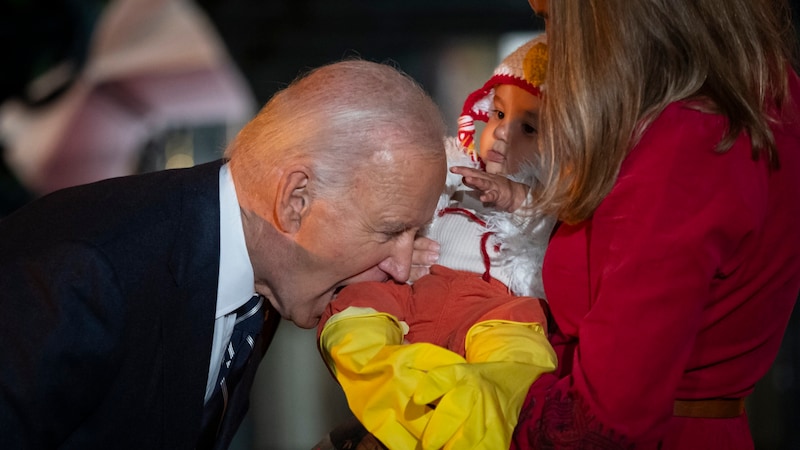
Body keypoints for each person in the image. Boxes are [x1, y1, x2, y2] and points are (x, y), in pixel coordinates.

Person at [0, 59, 448, 450]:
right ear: (296, 200)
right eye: (392, 231)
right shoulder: (84, 275)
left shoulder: (260, 271)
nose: (402, 265)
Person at [502, 0, 799, 448]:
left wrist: (471, 400)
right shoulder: (767, 92)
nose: (553, 47)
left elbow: (603, 421)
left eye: (553, 19)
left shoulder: (686, 144)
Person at [315, 35, 557, 450]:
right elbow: (399, 184)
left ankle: (453, 408)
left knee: (524, 364)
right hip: (410, 292)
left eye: (528, 128)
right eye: (497, 114)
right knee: (351, 324)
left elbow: (556, 230)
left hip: (492, 312)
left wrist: (518, 198)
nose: (500, 134)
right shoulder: (453, 161)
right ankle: (426, 394)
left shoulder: (550, 201)